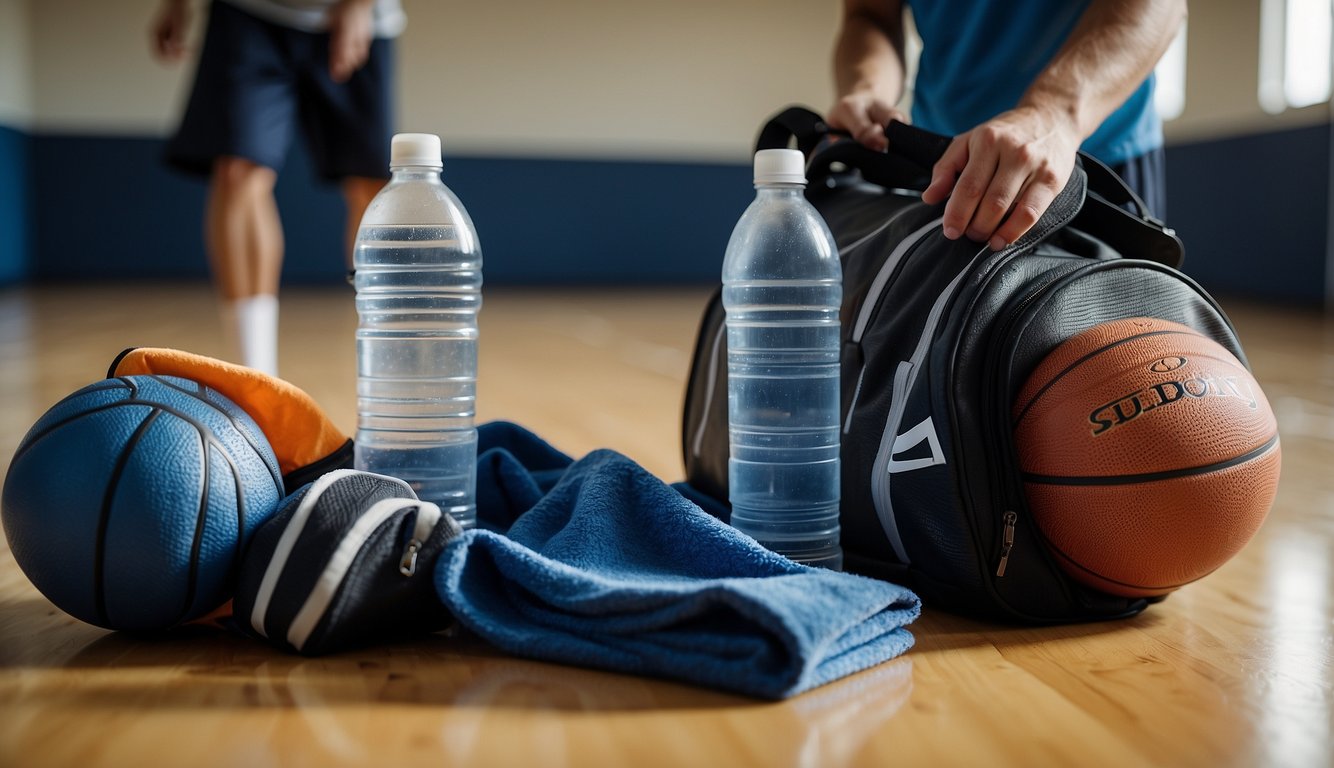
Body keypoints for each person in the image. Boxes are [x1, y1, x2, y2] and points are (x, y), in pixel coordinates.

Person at [150, 0, 406, 376]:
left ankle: (388, 371)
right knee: (238, 172)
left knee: (372, 189)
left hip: (361, 17)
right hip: (249, 14)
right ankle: (255, 375)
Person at [829, 0, 1186, 252]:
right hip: (940, 166)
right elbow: (869, 14)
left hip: (1100, 157)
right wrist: (867, 91)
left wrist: (1052, 113)